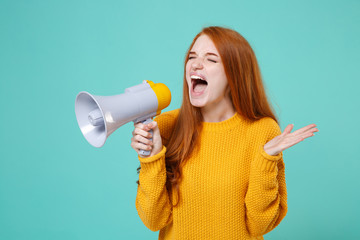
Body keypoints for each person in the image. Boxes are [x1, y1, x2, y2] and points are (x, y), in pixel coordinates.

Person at [131, 26, 318, 239]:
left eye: (211, 59)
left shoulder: (263, 131)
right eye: (192, 57)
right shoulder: (165, 126)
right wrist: (152, 158)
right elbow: (153, 221)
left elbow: (260, 226)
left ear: (234, 74)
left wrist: (266, 160)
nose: (196, 64)